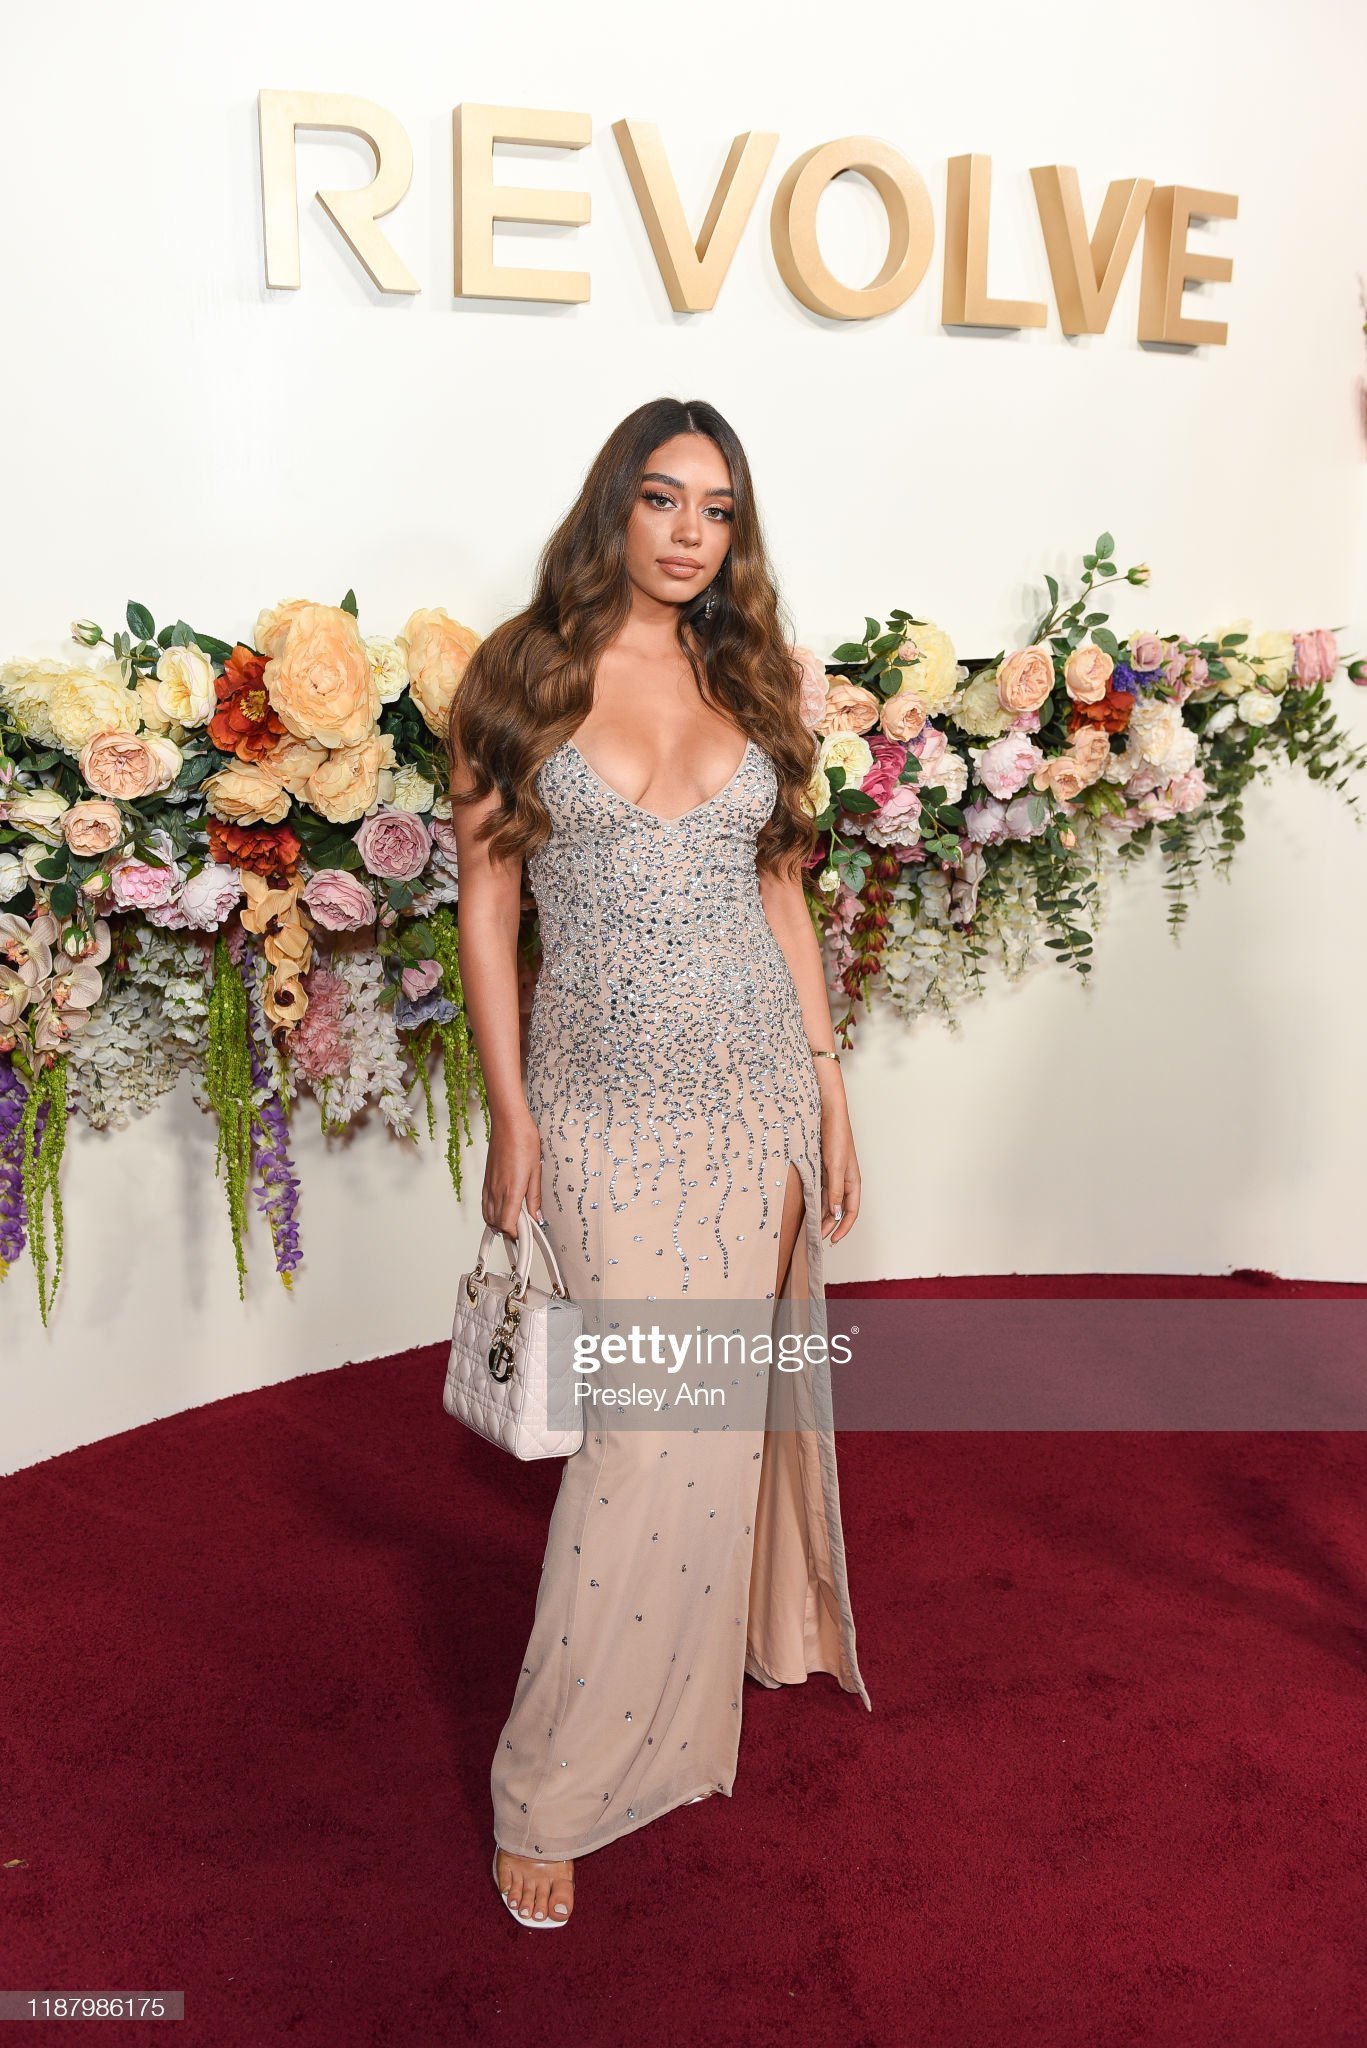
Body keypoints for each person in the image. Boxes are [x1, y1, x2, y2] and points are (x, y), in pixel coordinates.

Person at [447, 396, 870, 1929]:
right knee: (640, 1439)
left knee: (712, 1425)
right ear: (612, 508)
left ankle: (685, 1702)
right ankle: (551, 1790)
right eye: (663, 500)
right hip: (604, 1107)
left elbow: (782, 896)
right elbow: (488, 907)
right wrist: (511, 1115)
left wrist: (828, 1087)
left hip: (755, 1096)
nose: (692, 534)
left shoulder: (752, 672)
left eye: (718, 509)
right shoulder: (521, 675)